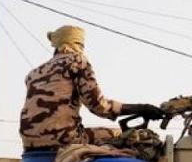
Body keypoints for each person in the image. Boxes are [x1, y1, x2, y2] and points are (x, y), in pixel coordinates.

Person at [19, 25, 164, 151]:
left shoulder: (33, 74)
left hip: (30, 144)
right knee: (122, 136)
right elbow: (99, 107)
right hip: (65, 140)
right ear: (77, 45)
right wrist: (141, 108)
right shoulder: (77, 61)